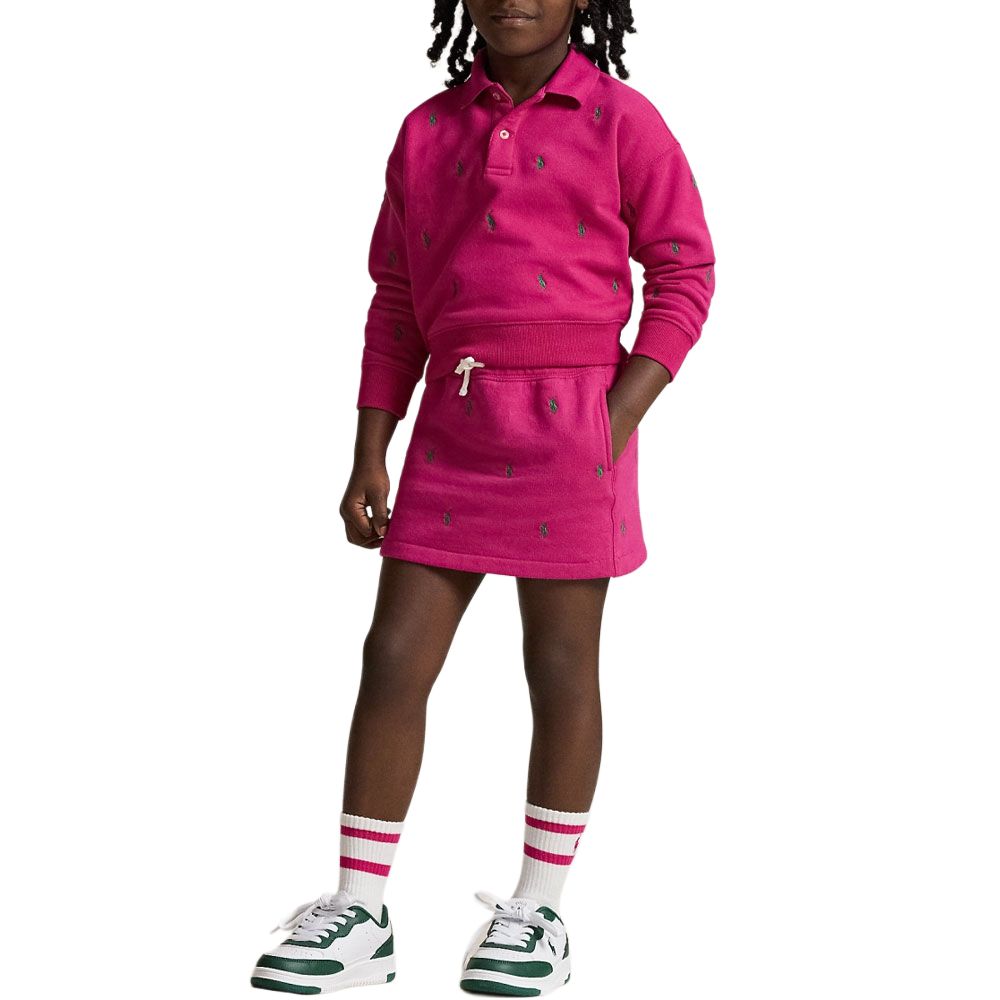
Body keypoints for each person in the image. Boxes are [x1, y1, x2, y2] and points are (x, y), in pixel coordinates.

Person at [250, 0, 716, 994]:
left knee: (560, 665)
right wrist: (370, 448)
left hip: (574, 436)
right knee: (392, 656)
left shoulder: (625, 122)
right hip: (453, 433)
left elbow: (686, 272)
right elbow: (397, 300)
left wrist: (613, 420)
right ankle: (361, 910)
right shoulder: (426, 132)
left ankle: (539, 908)